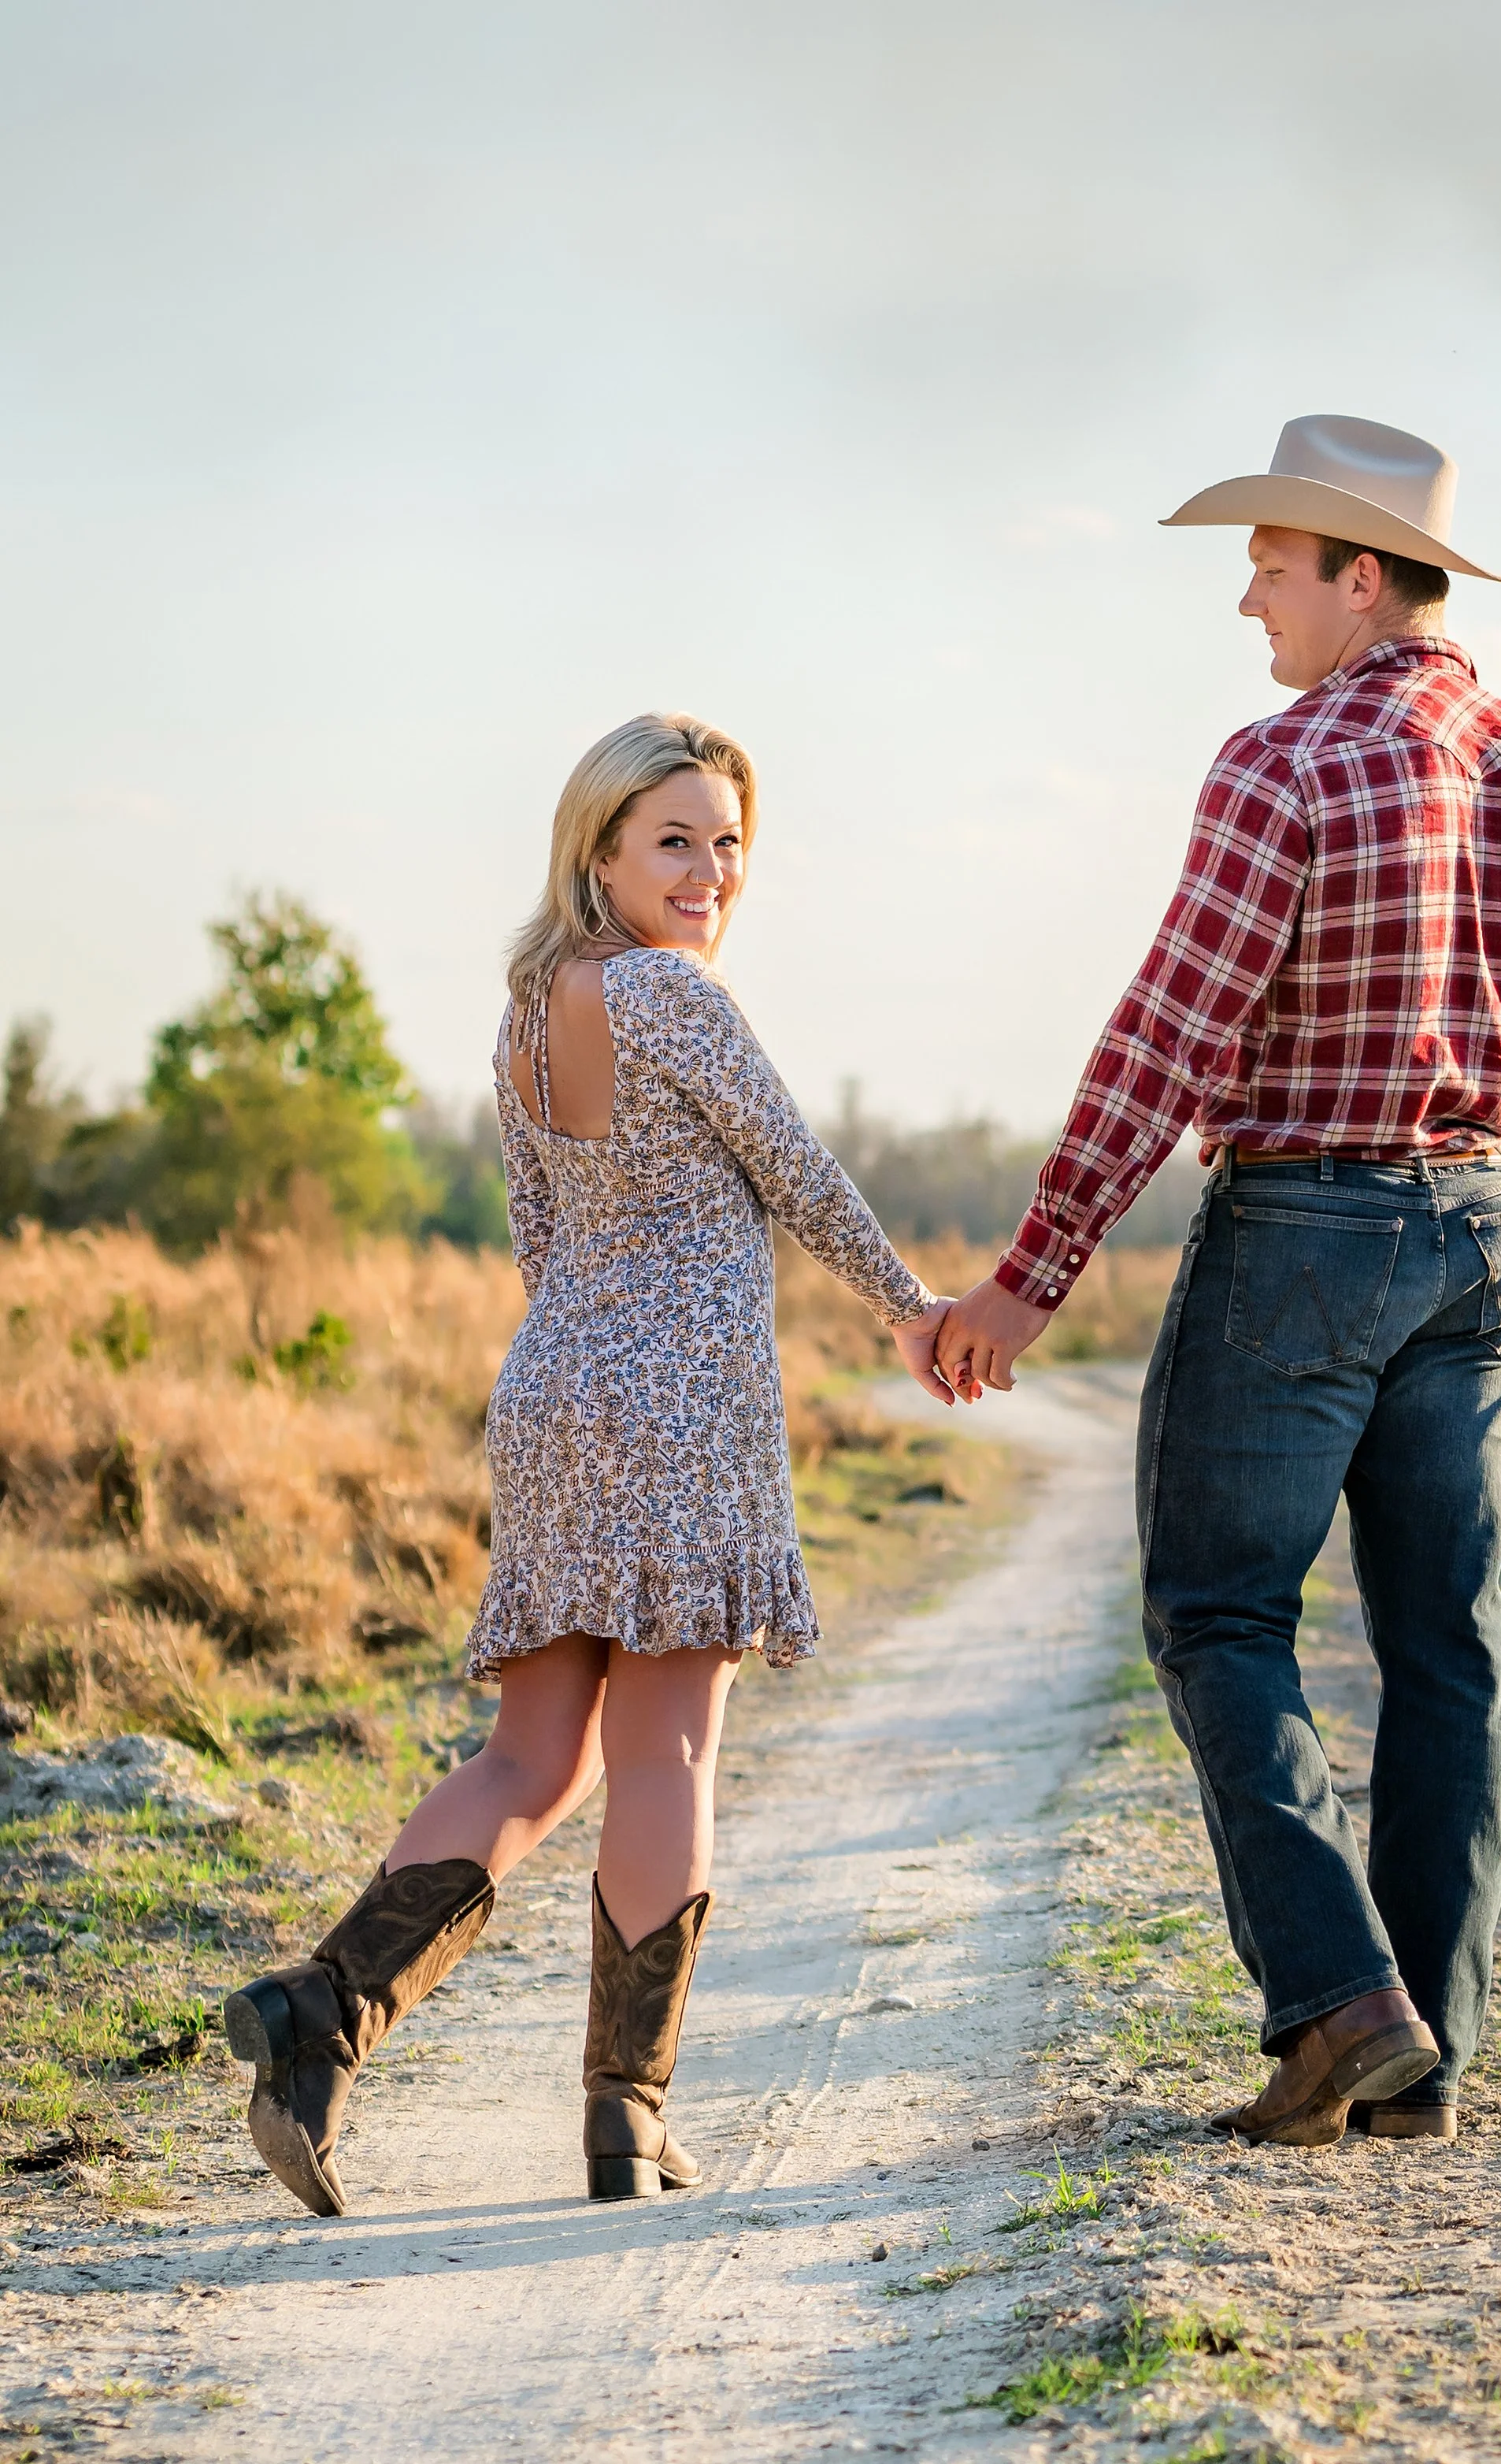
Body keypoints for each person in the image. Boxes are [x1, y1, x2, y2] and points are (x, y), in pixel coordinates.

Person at [937, 415, 1501, 2149]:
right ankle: (1424, 2061)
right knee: (1443, 1647)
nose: (1245, 592)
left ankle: (1340, 2001)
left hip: (1304, 1223)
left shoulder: (1286, 763)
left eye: (1266, 557)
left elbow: (1171, 1026)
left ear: (1356, 574)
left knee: (1221, 1615)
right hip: (1482, 1233)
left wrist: (1033, 1273)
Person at [224, 713, 954, 2216]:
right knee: (669, 1748)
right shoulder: (671, 995)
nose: (709, 872)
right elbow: (800, 1174)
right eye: (674, 840)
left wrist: (594, 1347)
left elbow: (537, 1237)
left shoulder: (524, 1009)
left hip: (553, 1389)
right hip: (681, 1403)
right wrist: (912, 1308)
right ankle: (626, 2113)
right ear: (600, 849)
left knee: (530, 1758)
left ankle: (321, 2014)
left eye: (729, 842)